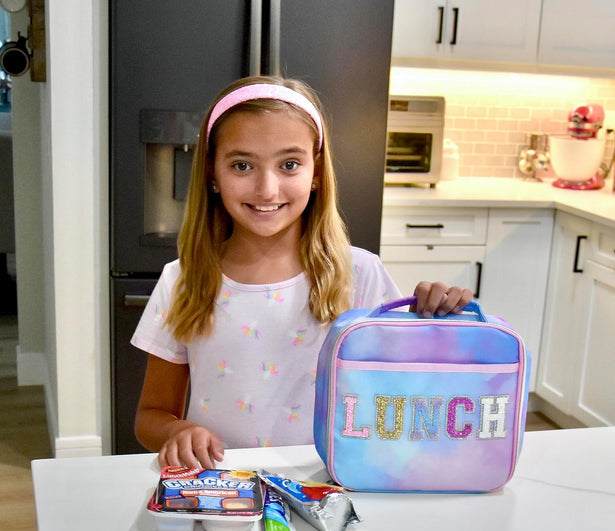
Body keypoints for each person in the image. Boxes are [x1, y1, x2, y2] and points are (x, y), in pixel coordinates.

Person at [131, 75, 472, 469]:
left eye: (289, 164)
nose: (267, 189)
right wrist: (177, 432)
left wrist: (438, 323)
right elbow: (150, 417)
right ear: (212, 174)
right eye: (242, 165)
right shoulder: (183, 281)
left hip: (332, 483)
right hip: (226, 488)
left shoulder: (359, 273)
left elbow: (406, 392)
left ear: (315, 173)